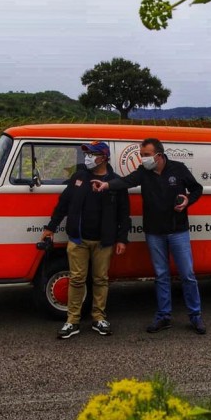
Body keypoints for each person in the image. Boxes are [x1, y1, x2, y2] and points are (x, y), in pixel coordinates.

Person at [92, 137, 206, 334]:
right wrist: (106, 185)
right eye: (141, 155)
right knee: (161, 276)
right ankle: (163, 316)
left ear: (158, 155)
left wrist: (188, 200)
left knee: (187, 275)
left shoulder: (178, 169)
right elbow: (126, 181)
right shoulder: (143, 172)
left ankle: (195, 316)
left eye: (146, 155)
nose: (142, 159)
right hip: (154, 233)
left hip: (178, 231)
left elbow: (197, 189)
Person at [42, 141, 130, 340]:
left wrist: (122, 239)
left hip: (104, 242)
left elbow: (124, 215)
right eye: (87, 153)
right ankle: (72, 321)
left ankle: (98, 317)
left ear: (104, 157)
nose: (88, 157)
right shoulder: (79, 177)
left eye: (92, 153)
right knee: (77, 279)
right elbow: (63, 204)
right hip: (78, 240)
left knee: (100, 280)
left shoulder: (116, 183)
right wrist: (50, 228)